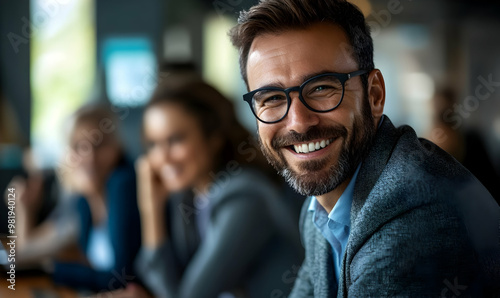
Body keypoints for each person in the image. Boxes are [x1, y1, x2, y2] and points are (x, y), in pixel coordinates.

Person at [229, 0, 500, 296]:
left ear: (374, 95)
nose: (298, 123)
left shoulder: (414, 212)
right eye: (271, 98)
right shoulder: (321, 208)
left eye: (321, 88)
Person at [114, 79, 303, 298]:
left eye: (175, 140)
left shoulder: (245, 198)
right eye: (153, 144)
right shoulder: (190, 197)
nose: (162, 158)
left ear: (213, 138)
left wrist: (150, 211)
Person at [14, 104, 141, 293]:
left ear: (117, 147)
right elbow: (24, 253)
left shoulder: (123, 185)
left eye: (99, 144)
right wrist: (24, 210)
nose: (89, 156)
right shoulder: (83, 200)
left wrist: (52, 268)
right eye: (78, 146)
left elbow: (121, 279)